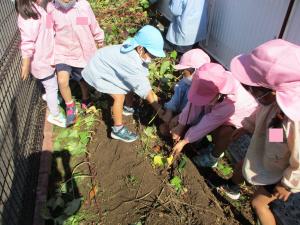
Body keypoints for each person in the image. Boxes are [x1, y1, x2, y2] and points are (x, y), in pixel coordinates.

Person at [219, 39, 300, 225]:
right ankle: (232, 188)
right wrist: (247, 126)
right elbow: (262, 117)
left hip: (281, 173)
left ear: (273, 90)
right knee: (242, 166)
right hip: (274, 151)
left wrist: (287, 185)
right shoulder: (274, 103)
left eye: (254, 90)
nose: (251, 92)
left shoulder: (295, 120)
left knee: (258, 204)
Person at [82, 25, 166, 143]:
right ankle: (117, 129)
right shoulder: (130, 61)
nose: (153, 58)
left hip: (106, 65)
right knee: (119, 96)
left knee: (129, 85)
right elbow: (144, 89)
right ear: (140, 49)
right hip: (98, 71)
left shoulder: (135, 48)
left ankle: (128, 108)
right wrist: (160, 111)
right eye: (152, 54)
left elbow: (139, 79)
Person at [171, 63, 258, 167]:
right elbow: (194, 104)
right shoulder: (214, 79)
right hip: (228, 112)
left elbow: (207, 123)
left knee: (223, 133)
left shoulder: (230, 104)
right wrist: (181, 125)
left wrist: (185, 141)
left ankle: (213, 158)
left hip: (245, 117)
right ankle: (213, 146)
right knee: (213, 128)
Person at [47, 0, 104, 126]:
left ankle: (86, 97)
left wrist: (99, 38)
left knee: (82, 79)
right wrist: (49, 53)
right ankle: (70, 107)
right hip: (61, 51)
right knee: (62, 81)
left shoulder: (83, 6)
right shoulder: (51, 9)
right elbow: (48, 31)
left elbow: (92, 24)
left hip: (81, 50)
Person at [16, 0, 66, 127]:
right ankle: (55, 115)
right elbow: (27, 43)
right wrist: (25, 64)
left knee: (51, 84)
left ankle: (51, 98)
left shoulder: (39, 9)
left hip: (47, 56)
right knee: (52, 86)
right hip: (41, 60)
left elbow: (49, 27)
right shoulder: (28, 17)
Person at [160, 48, 210, 136]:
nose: (182, 74)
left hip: (193, 122)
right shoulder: (185, 81)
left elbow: (194, 113)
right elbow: (176, 96)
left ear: (195, 71)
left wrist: (180, 120)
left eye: (184, 72)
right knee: (163, 129)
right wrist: (169, 110)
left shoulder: (204, 90)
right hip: (181, 114)